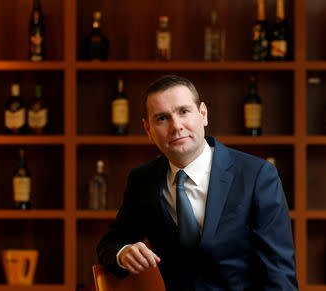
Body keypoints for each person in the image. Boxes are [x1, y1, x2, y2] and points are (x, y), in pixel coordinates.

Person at [96, 75, 298, 290]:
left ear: (203, 114)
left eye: (184, 112)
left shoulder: (257, 175)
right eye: (162, 118)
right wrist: (123, 253)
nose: (176, 126)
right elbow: (109, 245)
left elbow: (280, 275)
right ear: (148, 129)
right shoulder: (142, 180)